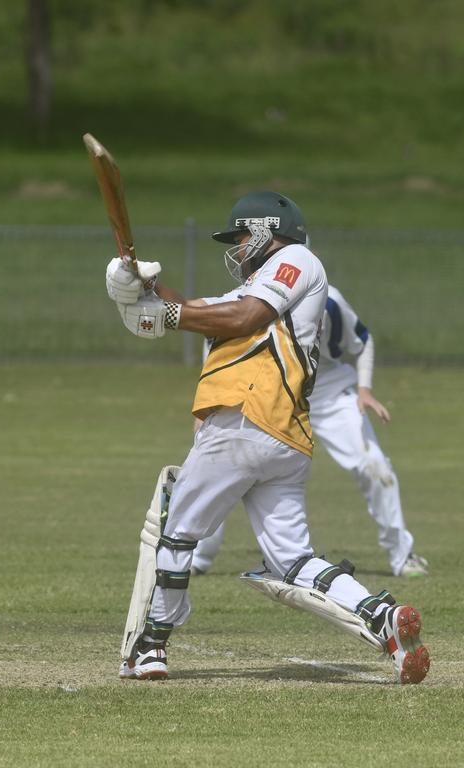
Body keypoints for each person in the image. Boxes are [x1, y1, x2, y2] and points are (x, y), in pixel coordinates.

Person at [105, 190, 430, 684]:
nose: (236, 248)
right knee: (293, 560)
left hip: (242, 420)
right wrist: (138, 287)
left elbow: (244, 319)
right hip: (284, 438)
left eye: (240, 237)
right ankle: (381, 616)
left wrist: (165, 315)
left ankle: (151, 647)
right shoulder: (252, 289)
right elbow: (198, 308)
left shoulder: (296, 259)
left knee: (177, 532)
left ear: (265, 230)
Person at [190, 280, 428, 578]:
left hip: (327, 390)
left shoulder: (329, 300)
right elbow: (215, 352)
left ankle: (402, 556)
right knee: (222, 463)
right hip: (268, 391)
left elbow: (362, 339)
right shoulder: (242, 301)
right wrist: (208, 408)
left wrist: (364, 389)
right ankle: (196, 555)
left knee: (374, 464)